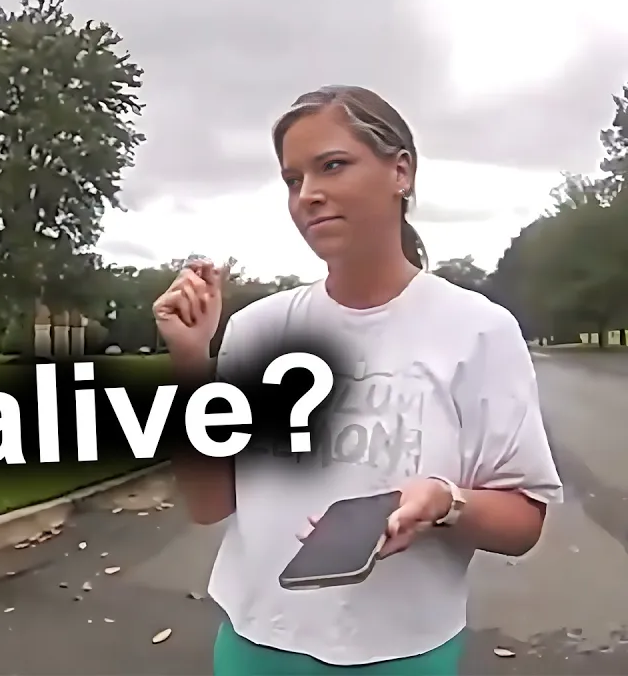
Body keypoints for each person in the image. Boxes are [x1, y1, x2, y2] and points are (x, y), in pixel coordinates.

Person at [157, 85, 562, 675]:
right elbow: (208, 503)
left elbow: (523, 523)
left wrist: (444, 503)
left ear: (401, 172)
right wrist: (191, 360)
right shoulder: (257, 330)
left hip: (404, 654)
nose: (308, 195)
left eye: (332, 166)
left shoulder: (478, 330)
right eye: (292, 179)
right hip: (255, 645)